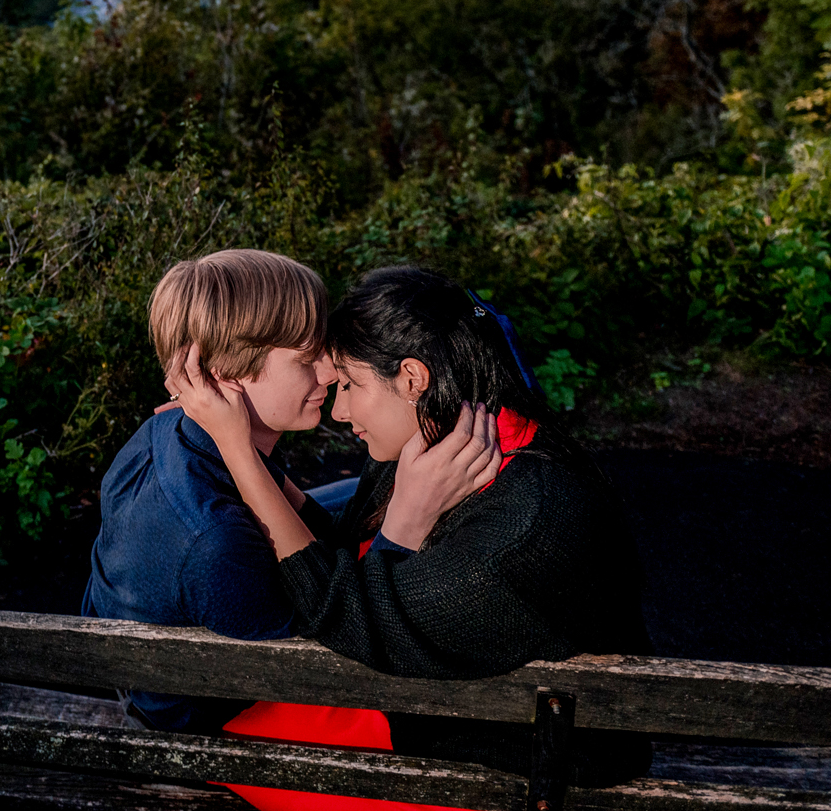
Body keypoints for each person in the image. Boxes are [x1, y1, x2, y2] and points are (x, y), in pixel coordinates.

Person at [169, 265, 653, 801]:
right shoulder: (447, 435)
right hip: (437, 709)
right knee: (225, 744)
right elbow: (345, 553)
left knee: (225, 753)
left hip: (519, 763)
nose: (340, 407)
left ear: (412, 378)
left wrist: (238, 449)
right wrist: (243, 447)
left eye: (350, 385)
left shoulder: (521, 528)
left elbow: (342, 618)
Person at [81, 248, 343, 731]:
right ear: (223, 377)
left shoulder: (162, 433)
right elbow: (333, 643)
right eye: (308, 359)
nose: (329, 372)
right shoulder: (215, 541)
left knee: (351, 494)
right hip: (211, 725)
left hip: (147, 670)